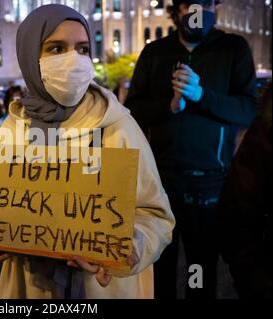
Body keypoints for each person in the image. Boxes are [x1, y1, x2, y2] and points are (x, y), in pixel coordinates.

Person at [0, 4, 174, 299]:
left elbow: (156, 214)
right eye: (56, 49)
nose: (73, 60)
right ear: (29, 55)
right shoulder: (12, 131)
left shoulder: (118, 126)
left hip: (103, 288)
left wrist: (134, 245)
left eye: (82, 49)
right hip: (31, 288)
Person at [124, 0, 257, 299]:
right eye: (191, 5)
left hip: (209, 182)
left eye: (206, 3)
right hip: (161, 181)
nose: (199, 12)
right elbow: (132, 110)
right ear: (179, 9)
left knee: (199, 266)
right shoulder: (155, 52)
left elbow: (247, 109)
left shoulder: (233, 49)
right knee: (161, 265)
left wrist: (200, 95)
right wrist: (168, 106)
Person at [217, 84, 272, 299]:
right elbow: (235, 214)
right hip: (263, 281)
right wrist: (256, 281)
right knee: (198, 272)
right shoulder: (265, 132)